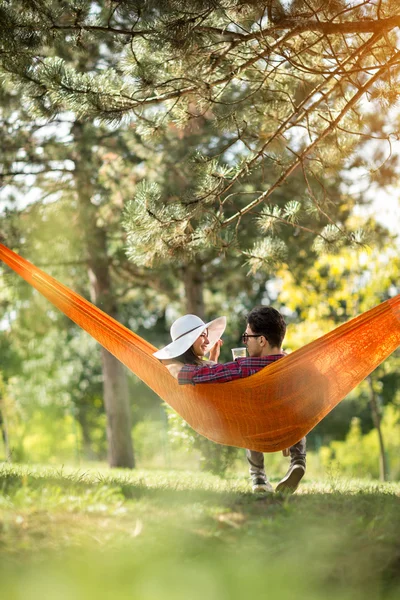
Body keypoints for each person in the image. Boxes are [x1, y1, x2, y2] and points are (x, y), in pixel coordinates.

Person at [158, 306, 306, 495]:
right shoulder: (294, 365)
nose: (245, 342)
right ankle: (298, 460)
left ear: (261, 340)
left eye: (247, 337)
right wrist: (290, 437)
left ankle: (258, 477)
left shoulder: (242, 367)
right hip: (289, 429)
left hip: (256, 431)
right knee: (300, 406)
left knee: (247, 410)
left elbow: (192, 374)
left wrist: (171, 364)